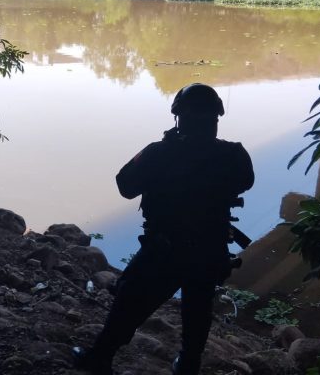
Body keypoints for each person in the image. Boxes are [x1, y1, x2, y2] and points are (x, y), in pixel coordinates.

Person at [72, 83, 254, 375]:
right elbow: (244, 181)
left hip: (165, 249)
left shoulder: (159, 153)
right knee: (198, 309)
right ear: (215, 120)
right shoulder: (235, 155)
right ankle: (188, 364)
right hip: (210, 249)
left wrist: (167, 149)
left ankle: (101, 356)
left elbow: (125, 185)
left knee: (129, 300)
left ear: (179, 118)